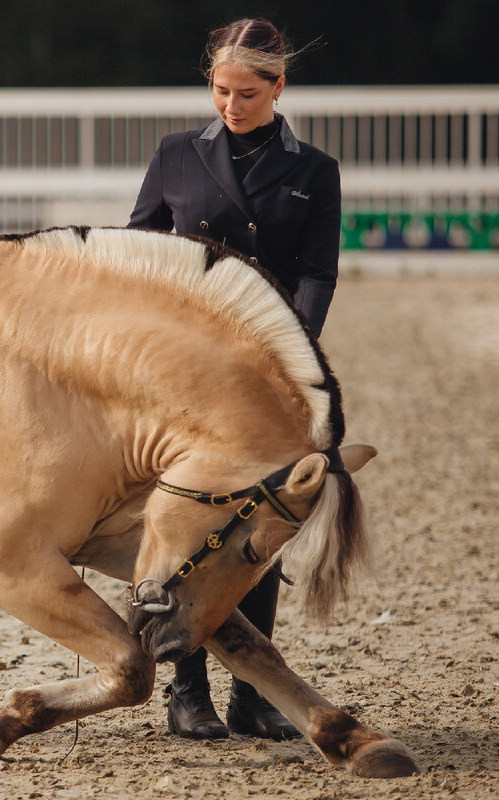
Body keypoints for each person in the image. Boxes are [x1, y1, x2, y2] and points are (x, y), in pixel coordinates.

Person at [127, 17, 341, 741]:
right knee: (185, 529)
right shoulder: (177, 155)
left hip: (267, 376)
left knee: (260, 530)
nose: (231, 106)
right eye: (221, 91)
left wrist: (293, 349)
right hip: (183, 370)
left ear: (279, 86)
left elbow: (317, 269)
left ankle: (255, 695)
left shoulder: (315, 171)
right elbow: (142, 251)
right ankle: (186, 692)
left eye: (248, 93)